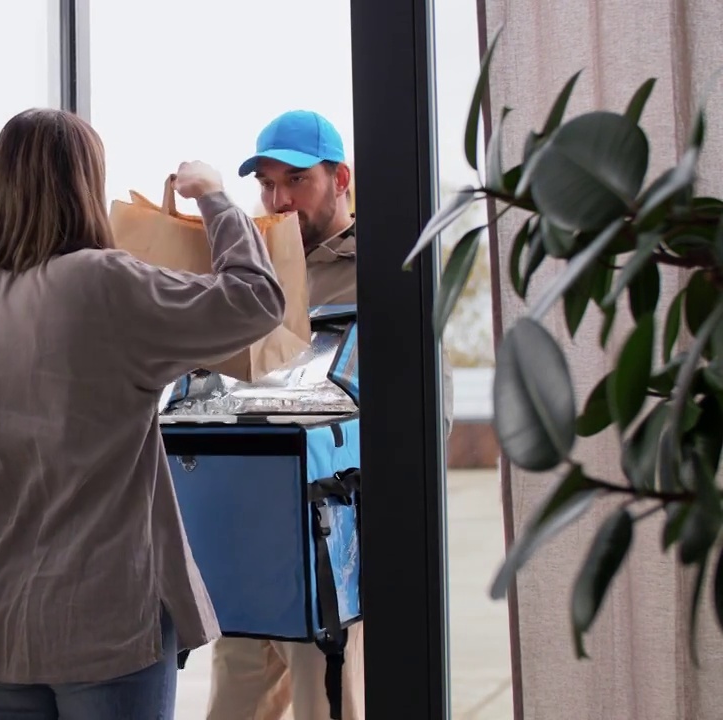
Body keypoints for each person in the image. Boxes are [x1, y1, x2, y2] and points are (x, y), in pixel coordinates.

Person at [0, 108, 287, 720]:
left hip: (0, 620)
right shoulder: (102, 281)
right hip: (104, 617)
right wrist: (216, 199)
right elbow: (256, 300)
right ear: (82, 185)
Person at [206, 109, 454, 720]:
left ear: (341, 178)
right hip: (249, 531)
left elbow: (427, 410)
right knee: (230, 707)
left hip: (329, 538)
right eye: (266, 183)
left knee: (328, 707)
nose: (278, 198)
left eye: (296, 180)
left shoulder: (385, 268)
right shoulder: (253, 271)